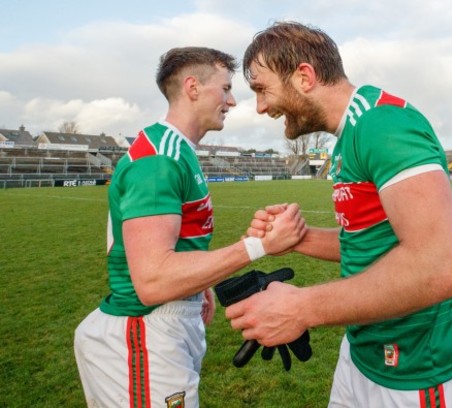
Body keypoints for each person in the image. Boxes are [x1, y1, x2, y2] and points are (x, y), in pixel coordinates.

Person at [225, 22, 452, 407]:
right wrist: (299, 237)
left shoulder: (383, 124)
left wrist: (299, 307)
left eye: (262, 89)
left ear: (304, 76)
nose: (261, 107)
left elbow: (441, 268)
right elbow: (371, 241)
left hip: (416, 373)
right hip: (362, 354)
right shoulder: (350, 132)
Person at [73, 46, 306, 407]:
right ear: (193, 87)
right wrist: (258, 247)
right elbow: (152, 281)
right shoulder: (160, 158)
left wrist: (199, 285)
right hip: (144, 330)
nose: (231, 101)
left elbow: (175, 247)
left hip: (164, 325)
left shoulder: (177, 150)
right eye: (226, 88)